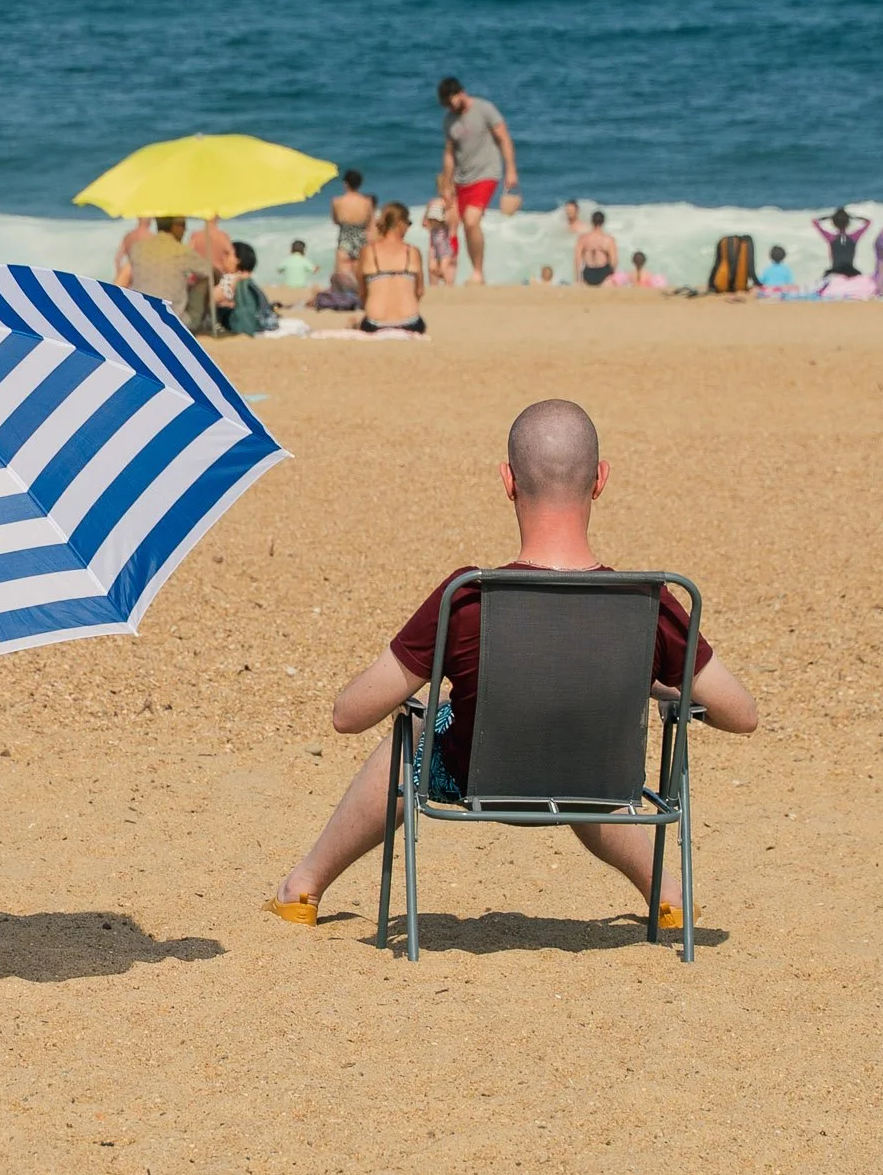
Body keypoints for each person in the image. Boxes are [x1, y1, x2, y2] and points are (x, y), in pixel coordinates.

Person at [267, 400, 758, 929]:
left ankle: (303, 888)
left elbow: (349, 715)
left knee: (411, 727)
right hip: (599, 781)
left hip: (477, 776)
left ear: (508, 480)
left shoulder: (469, 597)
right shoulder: (648, 604)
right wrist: (648, 682)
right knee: (577, 743)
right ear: (601, 480)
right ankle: (669, 897)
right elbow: (742, 714)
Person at [436, 78, 519, 283]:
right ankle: (477, 272)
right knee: (465, 226)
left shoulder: (484, 109)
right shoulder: (449, 120)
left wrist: (511, 169)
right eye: (446, 104)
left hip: (486, 173)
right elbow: (449, 155)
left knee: (472, 221)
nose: (450, 107)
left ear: (461, 93)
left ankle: (478, 272)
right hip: (461, 179)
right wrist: (446, 185)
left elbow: (504, 138)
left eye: (451, 102)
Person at [127, 217, 214, 331]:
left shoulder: (137, 248)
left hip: (140, 315)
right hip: (174, 319)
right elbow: (209, 272)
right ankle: (202, 320)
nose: (186, 229)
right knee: (205, 279)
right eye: (183, 225)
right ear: (175, 226)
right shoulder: (182, 251)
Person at [357, 201, 427, 334]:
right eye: (409, 223)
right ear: (400, 223)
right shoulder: (412, 251)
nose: (408, 228)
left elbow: (362, 292)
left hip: (375, 323)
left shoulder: (368, 251)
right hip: (410, 322)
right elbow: (419, 291)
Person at [213, 241, 275, 336]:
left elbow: (212, 298)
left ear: (238, 260)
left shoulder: (232, 280)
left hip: (243, 326)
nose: (223, 258)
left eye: (228, 255)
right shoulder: (248, 281)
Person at [328, 169, 373, 295]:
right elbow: (368, 223)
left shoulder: (337, 201)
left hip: (345, 234)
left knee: (342, 267)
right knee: (359, 267)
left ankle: (341, 294)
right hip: (360, 234)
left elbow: (335, 221)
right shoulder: (367, 201)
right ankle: (360, 293)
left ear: (345, 184)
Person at [813, 207, 870, 279]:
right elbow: (868, 222)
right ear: (848, 222)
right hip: (851, 272)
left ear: (833, 223)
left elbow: (814, 222)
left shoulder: (831, 238)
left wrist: (829, 217)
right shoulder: (854, 237)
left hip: (834, 272)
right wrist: (853, 217)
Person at [421, 197, 459, 286]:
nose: (434, 222)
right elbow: (424, 223)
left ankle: (448, 285)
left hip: (445, 249)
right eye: (432, 220)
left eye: (436, 220)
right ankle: (444, 282)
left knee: (444, 270)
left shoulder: (445, 228)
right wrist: (428, 209)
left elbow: (453, 225)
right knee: (432, 268)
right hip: (436, 249)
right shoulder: (433, 229)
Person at [575, 210, 618, 286]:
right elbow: (614, 261)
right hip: (603, 272)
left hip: (588, 272)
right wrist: (611, 276)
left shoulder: (583, 238)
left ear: (592, 221)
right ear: (603, 222)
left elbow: (578, 259)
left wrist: (578, 277)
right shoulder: (609, 240)